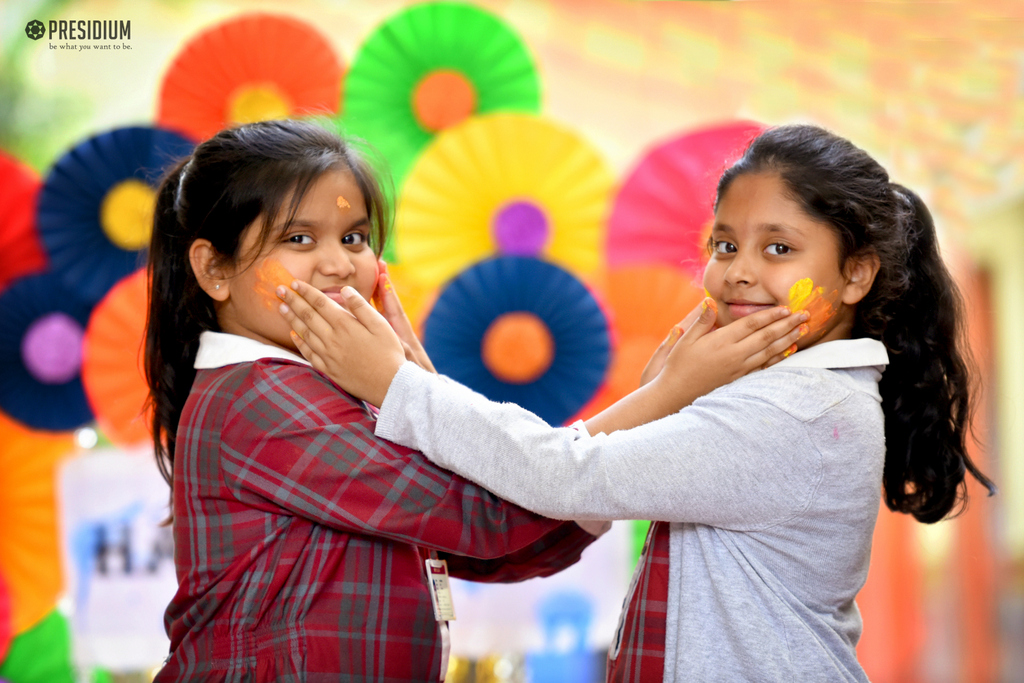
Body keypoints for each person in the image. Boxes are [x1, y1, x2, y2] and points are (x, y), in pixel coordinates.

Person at [276, 124, 995, 682]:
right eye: (724, 243)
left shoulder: (795, 408)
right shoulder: (784, 392)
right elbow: (572, 469)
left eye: (779, 249)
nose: (738, 273)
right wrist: (415, 375)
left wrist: (397, 386)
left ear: (858, 272)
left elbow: (569, 475)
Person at [144, 119, 627, 682]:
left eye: (353, 237)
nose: (339, 264)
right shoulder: (262, 397)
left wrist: (413, 387)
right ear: (213, 269)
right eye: (299, 239)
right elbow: (486, 517)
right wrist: (658, 402)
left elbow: (489, 550)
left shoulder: (318, 388)